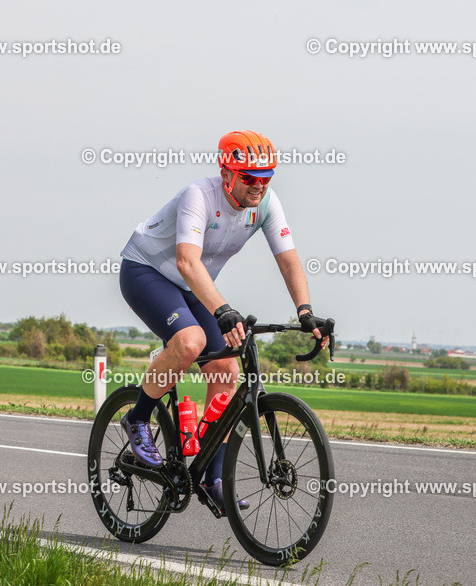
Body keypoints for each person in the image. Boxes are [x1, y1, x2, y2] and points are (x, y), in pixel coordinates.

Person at [118, 130, 330, 512]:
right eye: (250, 177)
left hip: (192, 286)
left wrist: (304, 310)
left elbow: (288, 259)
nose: (259, 186)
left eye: (267, 177)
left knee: (227, 372)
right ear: (227, 172)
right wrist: (222, 309)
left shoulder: (265, 203)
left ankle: (213, 477)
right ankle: (137, 419)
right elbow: (186, 261)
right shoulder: (199, 196)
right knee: (190, 342)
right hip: (146, 271)